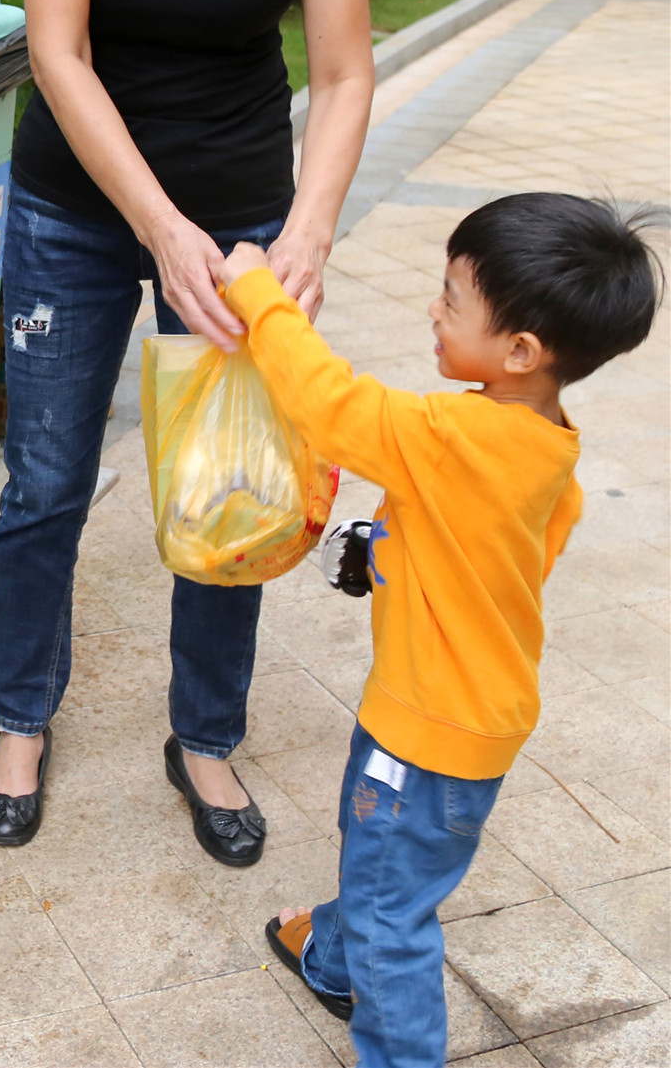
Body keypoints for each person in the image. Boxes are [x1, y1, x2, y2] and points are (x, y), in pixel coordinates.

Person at [0, 0, 375, 863]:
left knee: (234, 487)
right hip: (79, 211)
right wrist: (153, 223)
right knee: (43, 479)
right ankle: (20, 715)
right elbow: (57, 46)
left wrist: (304, 231)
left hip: (246, 220)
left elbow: (346, 71)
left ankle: (204, 735)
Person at [220, 193, 663, 1067]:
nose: (433, 307)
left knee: (395, 909)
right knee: (387, 857)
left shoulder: (453, 434)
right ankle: (336, 956)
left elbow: (331, 406)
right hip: (472, 718)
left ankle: (397, 1043)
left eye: (453, 299)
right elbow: (500, 560)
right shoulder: (549, 447)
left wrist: (257, 292)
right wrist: (389, 546)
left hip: (423, 731)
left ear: (521, 350)